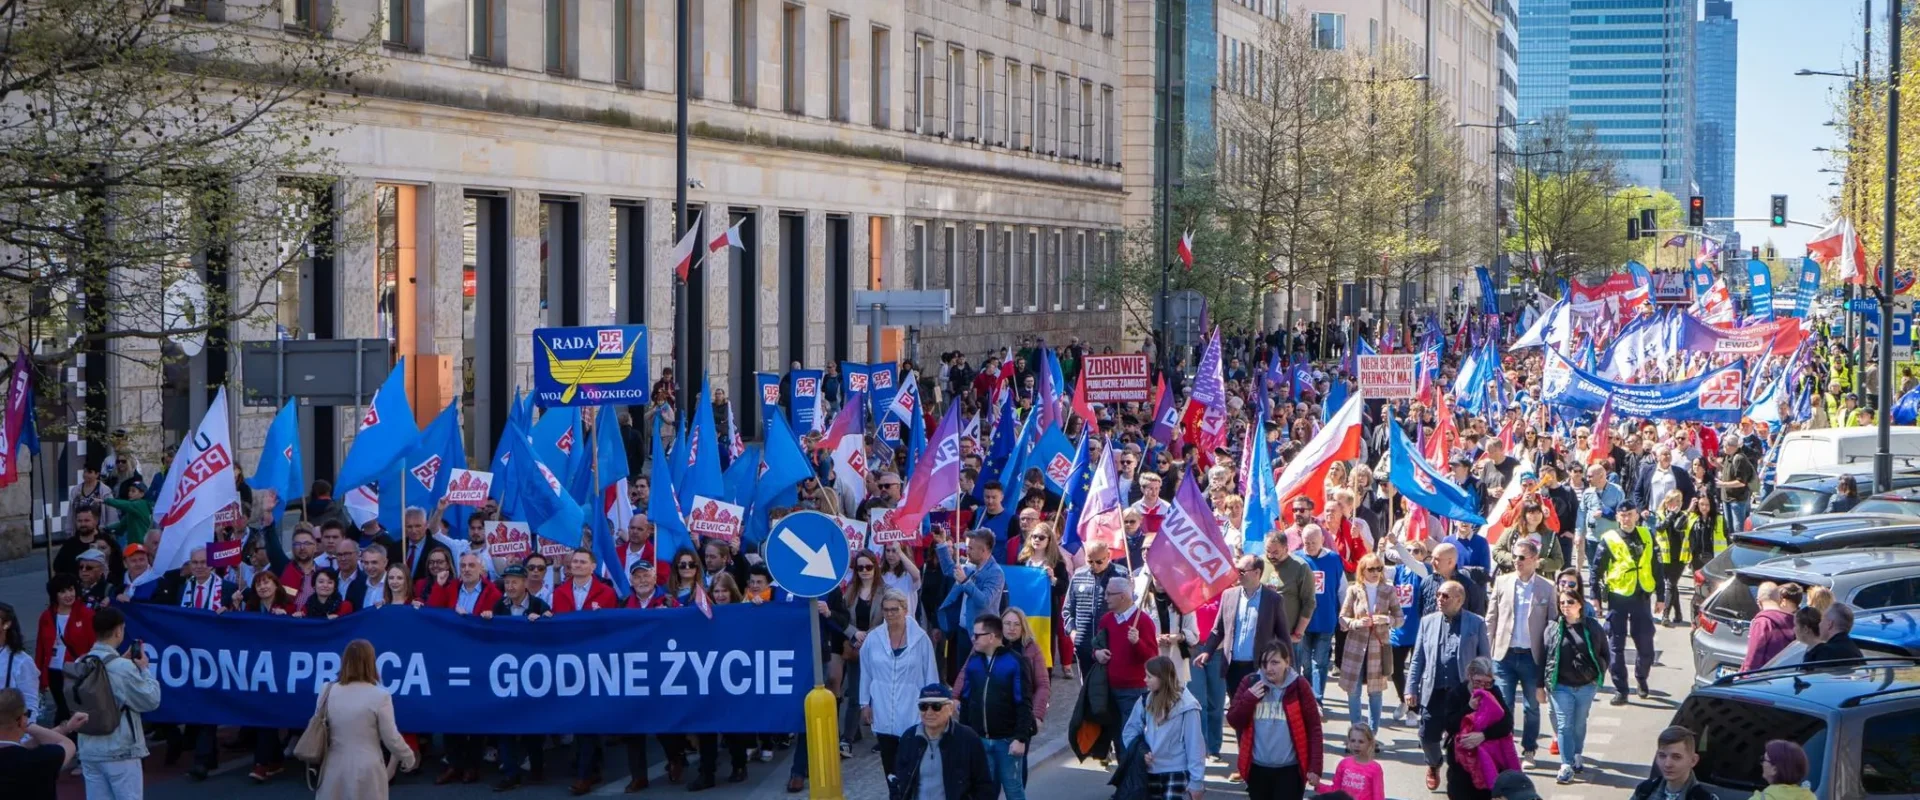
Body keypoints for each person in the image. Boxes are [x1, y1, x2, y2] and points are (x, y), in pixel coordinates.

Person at [1405, 581, 1493, 793]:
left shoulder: (1476, 623)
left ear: (1459, 600)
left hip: (1463, 694)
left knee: (1460, 742)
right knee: (1427, 736)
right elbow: (1417, 659)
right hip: (1433, 690)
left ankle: (1460, 783)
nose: (1439, 599)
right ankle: (1433, 763)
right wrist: (1411, 688)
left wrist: (1485, 689)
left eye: (1445, 596)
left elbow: (1484, 659)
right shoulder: (1428, 622)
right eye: (1438, 595)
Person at [72, 605, 162, 798]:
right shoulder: (122, 668)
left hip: (88, 748)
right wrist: (144, 669)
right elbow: (151, 700)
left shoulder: (81, 663)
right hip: (120, 749)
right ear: (118, 630)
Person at [313, 640, 417, 799]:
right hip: (368, 768)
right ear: (371, 662)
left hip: (333, 766)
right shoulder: (380, 696)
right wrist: (408, 757)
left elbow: (317, 726)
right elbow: (391, 738)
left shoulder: (327, 690)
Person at [861, 588, 941, 785]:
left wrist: (933, 709)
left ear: (905, 609)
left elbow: (931, 676)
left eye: (894, 609)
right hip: (882, 709)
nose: (889, 614)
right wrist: (864, 704)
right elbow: (866, 673)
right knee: (890, 770)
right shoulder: (873, 639)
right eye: (886, 610)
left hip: (913, 711)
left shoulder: (921, 639)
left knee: (913, 769)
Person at [1486, 539, 1555, 764]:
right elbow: (1492, 618)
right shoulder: (1502, 582)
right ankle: (1505, 750)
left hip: (1531, 657)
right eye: (1515, 556)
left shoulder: (1547, 587)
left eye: (1522, 557)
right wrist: (1486, 651)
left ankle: (1529, 749)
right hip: (1504, 655)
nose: (1517, 561)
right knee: (1503, 706)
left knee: (1531, 706)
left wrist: (1549, 659)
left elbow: (1553, 625)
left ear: (1535, 560)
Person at [1226, 643, 1323, 799]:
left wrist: (1315, 767)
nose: (1268, 668)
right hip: (1257, 769)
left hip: (1290, 771)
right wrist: (1249, 699)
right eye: (1264, 663)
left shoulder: (1299, 685)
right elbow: (1234, 721)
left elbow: (1314, 728)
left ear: (1287, 662)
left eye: (1275, 662)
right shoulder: (1250, 682)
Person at [955, 613, 1036, 800]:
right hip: (980, 740)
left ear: (991, 637)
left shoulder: (1016, 662)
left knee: (1013, 789)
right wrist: (965, 735)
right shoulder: (974, 663)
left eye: (977, 635)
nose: (973, 639)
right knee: (984, 792)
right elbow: (966, 702)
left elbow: (1024, 702)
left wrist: (1020, 738)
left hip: (1007, 740)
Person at [1593, 501, 1658, 704]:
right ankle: (1621, 689)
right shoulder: (1609, 539)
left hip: (1641, 597)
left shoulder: (1647, 535)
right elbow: (1596, 571)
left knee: (1645, 644)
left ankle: (1641, 678)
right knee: (1616, 645)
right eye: (1623, 515)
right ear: (1618, 518)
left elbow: (1656, 565)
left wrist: (1662, 597)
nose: (1626, 519)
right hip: (1618, 598)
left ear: (1637, 515)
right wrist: (1595, 598)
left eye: (1630, 514)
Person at [1541, 588, 1607, 784]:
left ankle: (1578, 753)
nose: (1566, 606)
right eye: (1562, 603)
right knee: (1564, 724)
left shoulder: (1592, 627)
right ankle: (1566, 764)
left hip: (1586, 687)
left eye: (1570, 602)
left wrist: (1597, 676)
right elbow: (1544, 657)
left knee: (1579, 723)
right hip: (1560, 686)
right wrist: (1541, 685)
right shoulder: (1552, 628)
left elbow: (1604, 653)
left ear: (1580, 605)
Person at [886, 684, 996, 800]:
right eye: (923, 706)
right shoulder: (909, 737)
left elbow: (983, 785)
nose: (929, 712)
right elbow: (900, 781)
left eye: (936, 706)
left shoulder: (968, 738)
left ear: (950, 709)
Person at [1120, 656, 1205, 800]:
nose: (1144, 680)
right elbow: (1130, 731)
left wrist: (1196, 781)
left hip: (1177, 771)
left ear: (1162, 678)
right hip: (1149, 771)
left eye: (1149, 676)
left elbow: (1195, 745)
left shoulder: (1188, 706)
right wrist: (1142, 751)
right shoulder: (1144, 700)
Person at [1336, 553, 1401, 735]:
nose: (1375, 572)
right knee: (1353, 692)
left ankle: (1372, 735)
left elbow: (1400, 619)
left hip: (1377, 649)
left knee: (1376, 693)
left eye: (1379, 568)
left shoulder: (1389, 589)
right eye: (1371, 569)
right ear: (1362, 570)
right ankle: (1357, 733)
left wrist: (1387, 619)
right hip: (1355, 647)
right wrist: (1356, 623)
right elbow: (1342, 618)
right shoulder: (1354, 589)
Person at [0, 686, 90, 800]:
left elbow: (23, 746)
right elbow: (67, 745)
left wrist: (65, 728)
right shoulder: (39, 759)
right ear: (21, 720)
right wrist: (28, 725)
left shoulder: (31, 756)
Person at [35, 574, 95, 723]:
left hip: (77, 670)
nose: (68, 595)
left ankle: (66, 740)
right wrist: (39, 676)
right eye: (62, 592)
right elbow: (40, 647)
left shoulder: (87, 614)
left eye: (71, 589)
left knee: (71, 709)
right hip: (54, 669)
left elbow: (94, 645)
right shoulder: (46, 616)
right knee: (62, 706)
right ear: (55, 595)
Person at [1296, 525, 1345, 702]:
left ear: (1322, 540)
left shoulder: (1333, 559)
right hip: (1303, 622)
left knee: (1320, 662)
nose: (1309, 546)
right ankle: (1308, 696)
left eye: (1313, 542)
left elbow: (1342, 590)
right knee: (1306, 664)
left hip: (1326, 620)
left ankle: (1317, 699)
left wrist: (1343, 614)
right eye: (1306, 542)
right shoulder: (1297, 559)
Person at [1064, 542, 1129, 673]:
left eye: (1099, 561)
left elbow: (1128, 609)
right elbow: (1067, 609)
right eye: (1090, 561)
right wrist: (1072, 632)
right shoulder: (1078, 575)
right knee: (1087, 687)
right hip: (1083, 643)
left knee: (1110, 686)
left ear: (1108, 556)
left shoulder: (1121, 574)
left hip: (1111, 642)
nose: (1094, 565)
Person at [1455, 685, 1521, 791]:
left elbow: (1507, 725)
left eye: (1486, 682)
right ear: (1469, 677)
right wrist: (1469, 708)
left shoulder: (1493, 691)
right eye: (1477, 681)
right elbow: (1450, 725)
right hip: (1463, 751)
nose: (1482, 686)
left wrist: (1483, 735)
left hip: (1494, 748)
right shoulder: (1458, 691)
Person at [1628, 726, 1717, 800]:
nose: (1667, 764)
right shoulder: (1645, 791)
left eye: (1676, 757)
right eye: (1662, 756)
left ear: (1693, 760)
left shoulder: (1704, 798)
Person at [1740, 582, 1802, 671]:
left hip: (1761, 680)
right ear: (1780, 599)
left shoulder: (1762, 622)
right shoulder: (1797, 624)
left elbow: (1753, 659)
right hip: (1782, 679)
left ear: (1758, 601)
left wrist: (1743, 677)